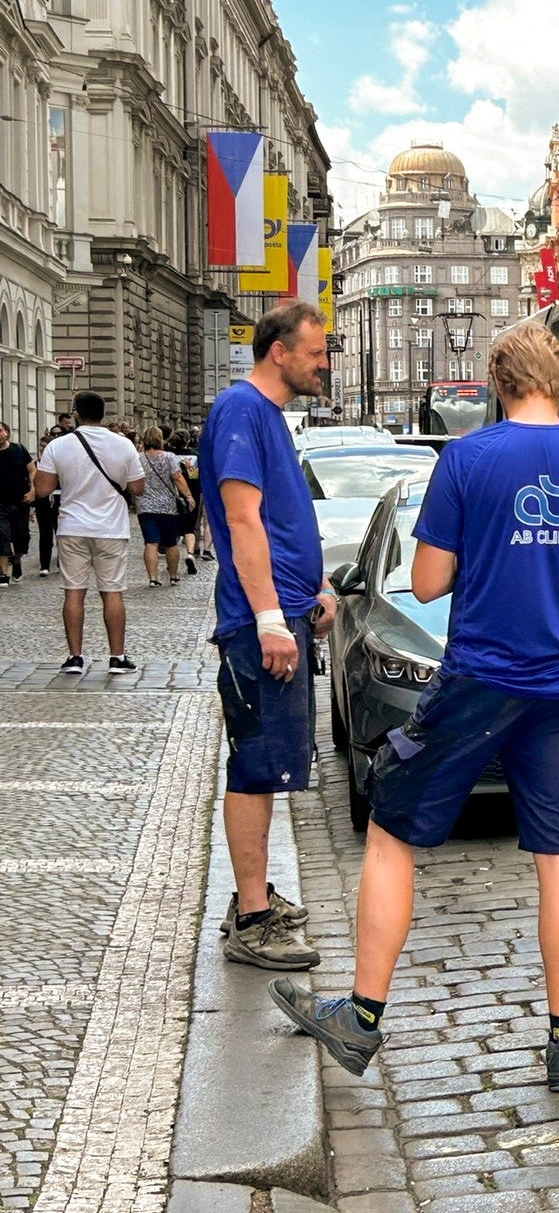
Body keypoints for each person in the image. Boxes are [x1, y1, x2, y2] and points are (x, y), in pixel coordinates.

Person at [269, 321, 559, 1094]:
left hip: (481, 676)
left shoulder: (468, 459)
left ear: (498, 384)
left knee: (390, 830)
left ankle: (362, 1018)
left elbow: (433, 581)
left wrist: (494, 551)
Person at [199, 301, 330, 972]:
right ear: (278, 350)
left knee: (272, 762)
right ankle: (252, 917)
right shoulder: (241, 411)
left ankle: (254, 896)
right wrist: (272, 618)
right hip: (259, 627)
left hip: (282, 614)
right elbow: (243, 519)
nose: (324, 361)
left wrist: (318, 593)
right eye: (316, 351)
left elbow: (284, 521)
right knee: (255, 766)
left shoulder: (267, 417)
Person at [34, 392, 146, 674]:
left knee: (73, 592)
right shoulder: (124, 445)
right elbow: (137, 488)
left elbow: (43, 489)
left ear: (76, 414)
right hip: (111, 527)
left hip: (72, 526)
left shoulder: (58, 446)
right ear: (103, 413)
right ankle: (117, 658)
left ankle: (75, 657)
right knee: (112, 593)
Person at [136, 428, 194, 587]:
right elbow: (177, 478)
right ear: (160, 439)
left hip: (145, 505)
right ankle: (173, 576)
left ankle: (153, 578)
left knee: (150, 542)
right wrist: (188, 496)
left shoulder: (138, 458)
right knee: (171, 543)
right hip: (167, 506)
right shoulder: (169, 457)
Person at [0, 422, 31, 586]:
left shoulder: (18, 450)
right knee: (1, 535)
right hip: (0, 503)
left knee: (22, 538)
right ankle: (3, 574)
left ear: (6, 433)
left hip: (19, 501)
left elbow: (32, 470)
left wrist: (32, 491)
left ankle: (17, 560)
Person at [169, 432, 203, 575]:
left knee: (174, 530)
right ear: (188, 440)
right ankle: (190, 553)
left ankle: (172, 558)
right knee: (189, 528)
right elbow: (197, 476)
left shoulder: (168, 455)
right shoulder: (194, 455)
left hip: (173, 495)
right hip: (192, 494)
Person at [33, 430, 59, 576]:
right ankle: (45, 565)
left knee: (60, 532)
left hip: (59, 500)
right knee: (45, 533)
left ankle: (62, 561)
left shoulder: (59, 464)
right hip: (42, 501)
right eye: (41, 446)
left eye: (45, 446)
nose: (42, 449)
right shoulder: (36, 464)